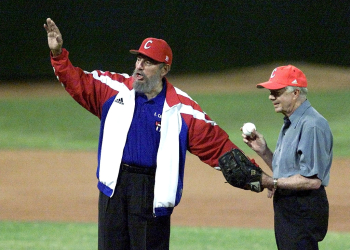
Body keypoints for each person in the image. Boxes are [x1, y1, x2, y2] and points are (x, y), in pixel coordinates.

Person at [43, 18, 254, 250]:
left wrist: (256, 177)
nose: (140, 66)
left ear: (164, 70)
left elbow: (217, 146)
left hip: (151, 192)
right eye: (139, 59)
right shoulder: (114, 90)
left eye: (149, 62)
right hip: (113, 188)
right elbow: (78, 82)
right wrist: (58, 54)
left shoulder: (181, 109)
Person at [243, 65, 333, 250]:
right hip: (291, 204)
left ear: (295, 93)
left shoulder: (311, 125)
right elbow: (289, 170)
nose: (271, 97)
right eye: (270, 92)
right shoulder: (292, 121)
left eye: (276, 92)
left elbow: (312, 180)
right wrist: (263, 151)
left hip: (303, 207)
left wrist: (271, 182)